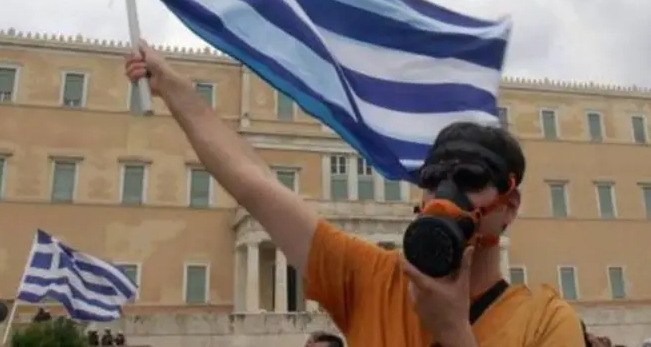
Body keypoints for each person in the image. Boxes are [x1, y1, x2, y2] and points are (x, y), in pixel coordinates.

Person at [125, 42, 584, 346]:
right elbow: (255, 184)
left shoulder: (546, 322)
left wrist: (454, 333)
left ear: (509, 207)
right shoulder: (371, 280)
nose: (445, 195)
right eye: (432, 179)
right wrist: (176, 89)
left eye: (469, 180)